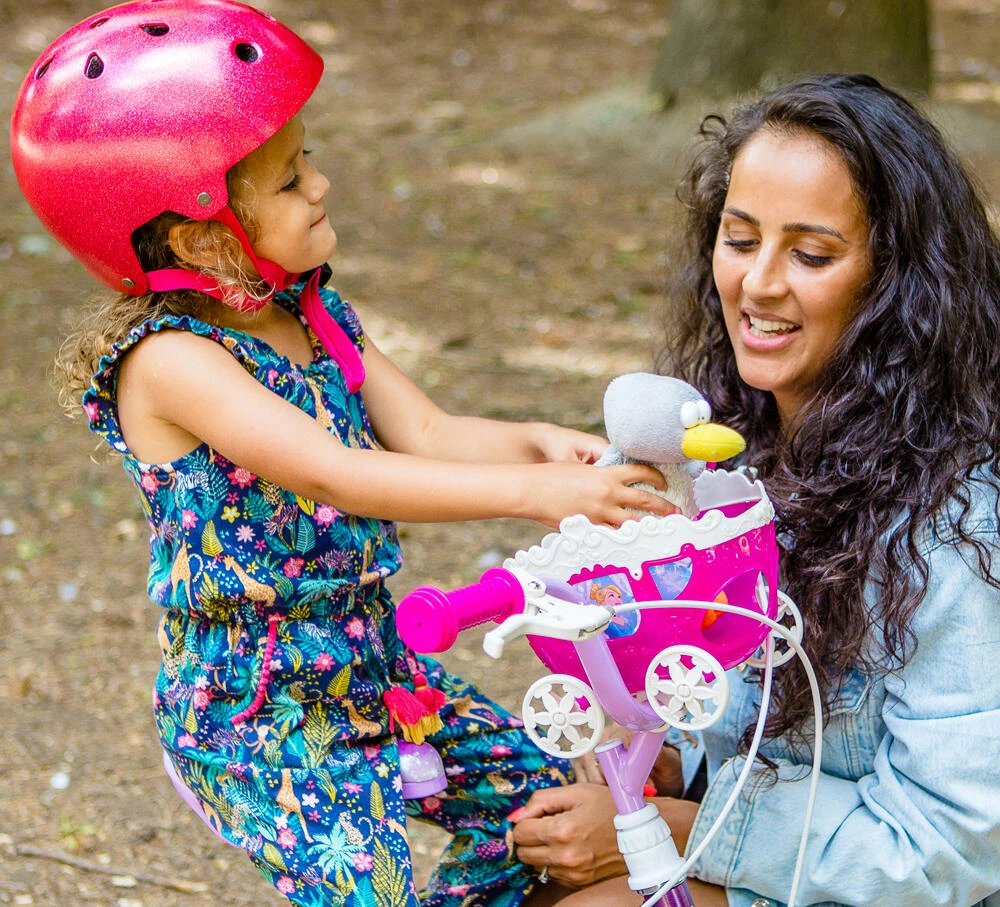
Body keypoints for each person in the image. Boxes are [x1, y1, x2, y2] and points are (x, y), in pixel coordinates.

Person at [9, 3, 676, 905]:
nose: (320, 184)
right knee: (374, 889)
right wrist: (534, 492)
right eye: (289, 181)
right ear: (200, 235)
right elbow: (335, 472)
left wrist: (539, 444)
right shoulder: (171, 363)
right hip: (259, 714)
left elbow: (429, 433)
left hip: (372, 663)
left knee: (544, 807)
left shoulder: (313, 314)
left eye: (307, 158)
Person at [509, 74, 1000, 906]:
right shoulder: (731, 455)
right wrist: (669, 758)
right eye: (740, 239)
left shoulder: (957, 523)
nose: (759, 283)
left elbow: (948, 847)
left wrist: (686, 826)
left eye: (811, 255)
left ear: (896, 280)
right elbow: (757, 714)